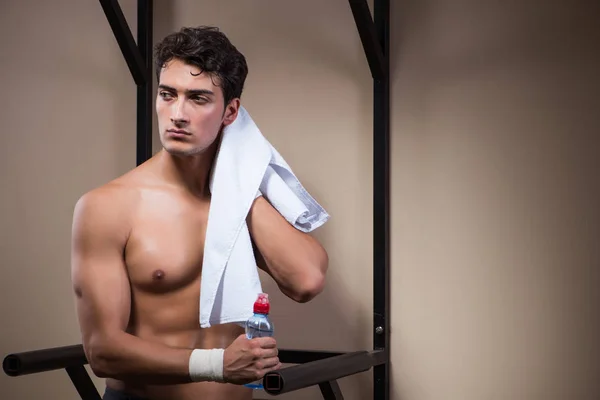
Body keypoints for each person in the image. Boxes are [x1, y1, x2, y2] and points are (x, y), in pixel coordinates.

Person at [70, 26, 329, 400]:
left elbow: (306, 280)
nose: (177, 114)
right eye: (167, 94)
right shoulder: (107, 207)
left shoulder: (239, 202)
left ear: (231, 112)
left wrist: (236, 183)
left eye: (198, 98)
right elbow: (102, 351)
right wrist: (216, 365)